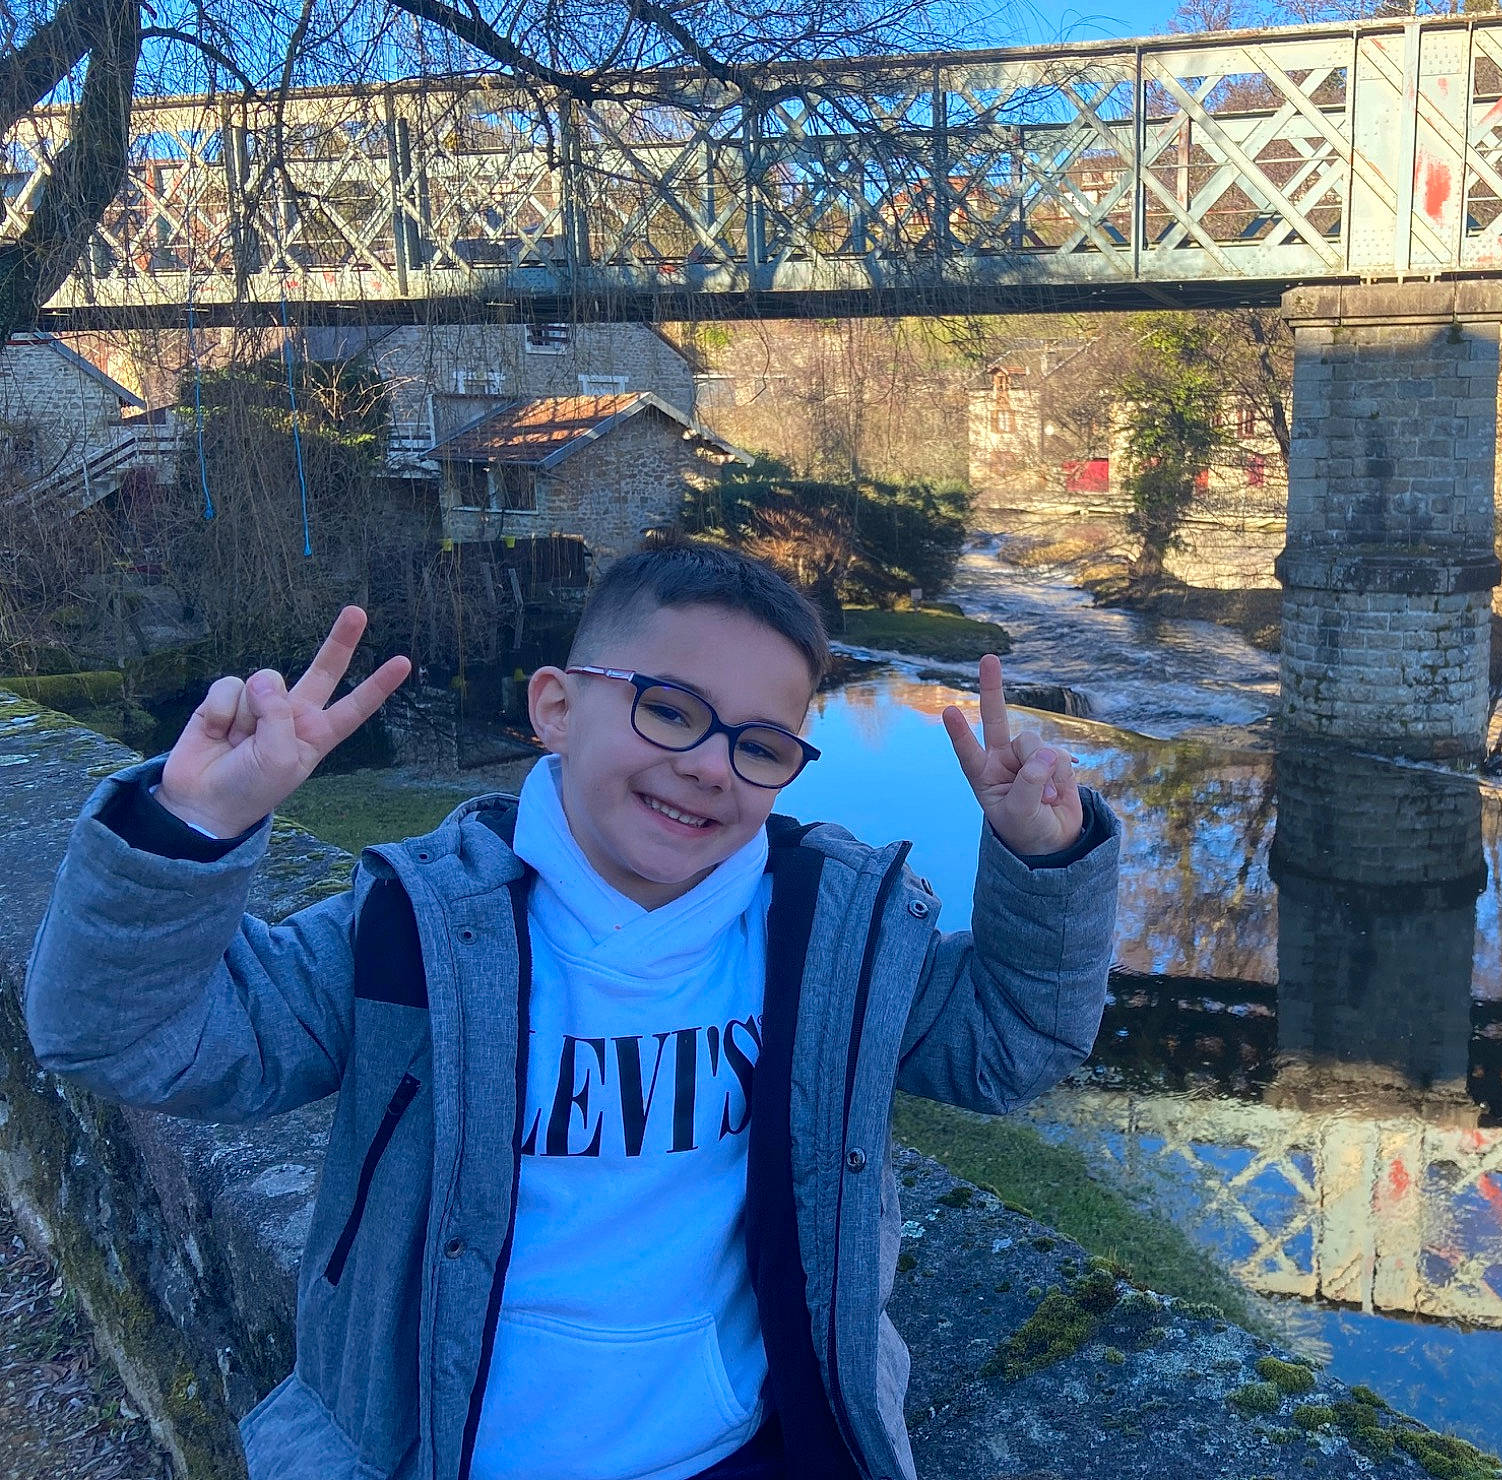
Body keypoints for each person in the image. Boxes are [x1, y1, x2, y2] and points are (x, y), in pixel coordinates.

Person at [25, 542, 1120, 1480]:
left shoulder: (832, 937)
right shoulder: (413, 930)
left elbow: (1010, 1045)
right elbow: (118, 1036)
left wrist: (1047, 860)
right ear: (556, 707)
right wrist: (188, 831)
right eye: (668, 709)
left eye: (759, 745)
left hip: (740, 1452)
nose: (709, 767)